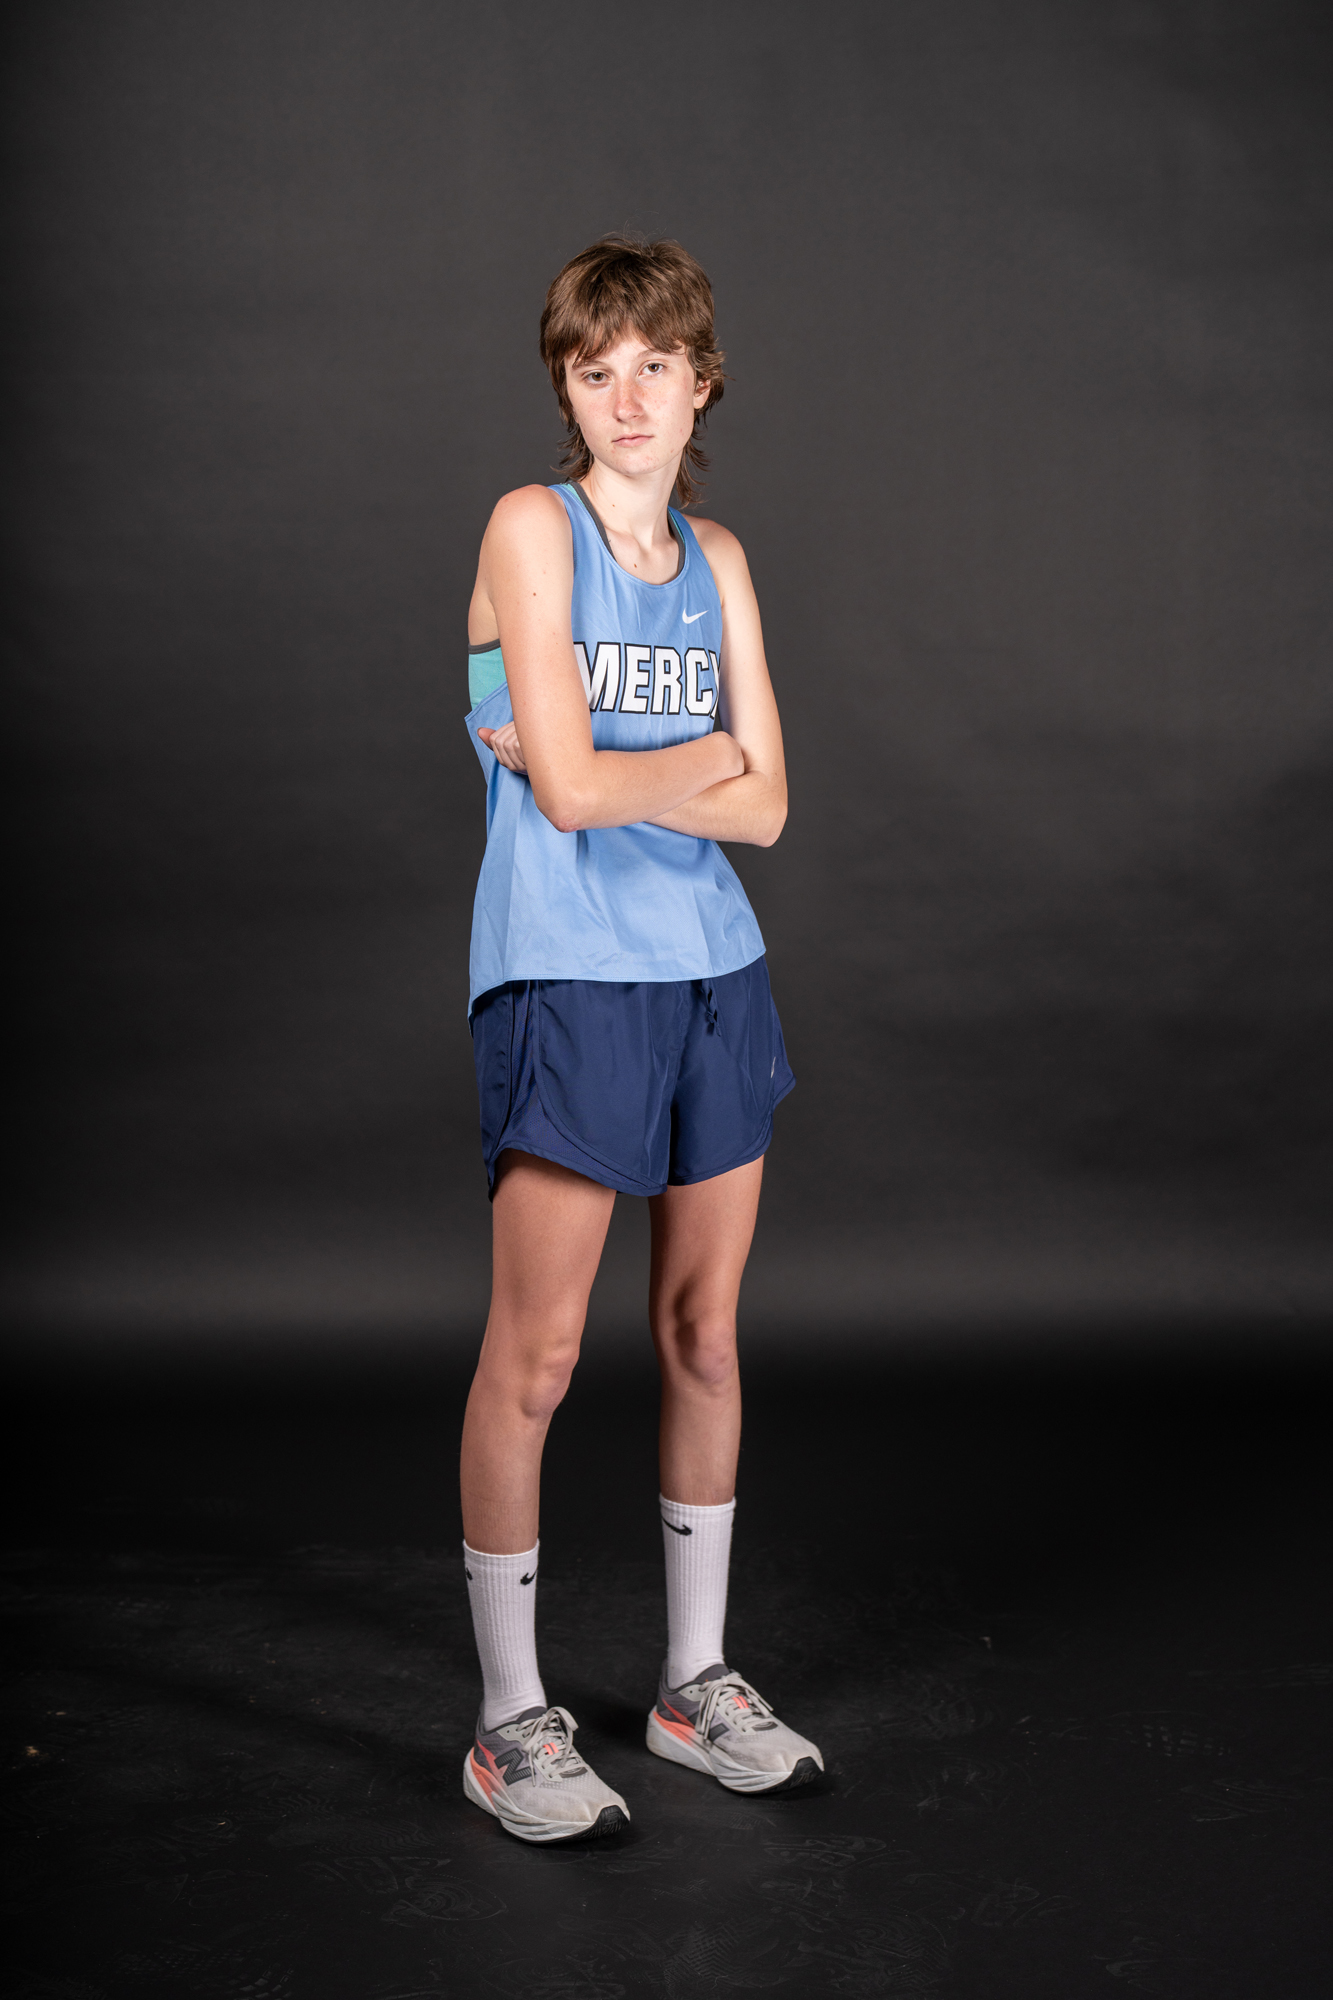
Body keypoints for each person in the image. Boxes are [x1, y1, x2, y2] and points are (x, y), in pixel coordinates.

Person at [458, 236, 821, 1845]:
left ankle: (691, 1685)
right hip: (565, 974)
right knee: (536, 1355)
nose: (626, 397)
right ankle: (507, 1723)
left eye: (654, 367)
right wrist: (695, 759)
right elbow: (574, 795)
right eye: (594, 370)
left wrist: (612, 766)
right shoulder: (528, 528)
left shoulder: (718, 556)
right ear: (566, 386)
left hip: (711, 974)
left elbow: (775, 808)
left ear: (700, 384)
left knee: (705, 1338)